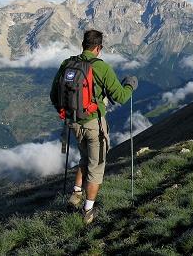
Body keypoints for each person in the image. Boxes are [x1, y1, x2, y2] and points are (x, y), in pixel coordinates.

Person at [50, 29, 138, 224]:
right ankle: (88, 211)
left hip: (74, 124)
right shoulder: (101, 67)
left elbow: (53, 95)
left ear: (83, 44)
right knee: (96, 166)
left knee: (84, 157)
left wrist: (67, 113)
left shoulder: (67, 63)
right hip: (93, 124)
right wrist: (130, 85)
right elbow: (120, 97)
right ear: (99, 48)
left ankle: (76, 194)